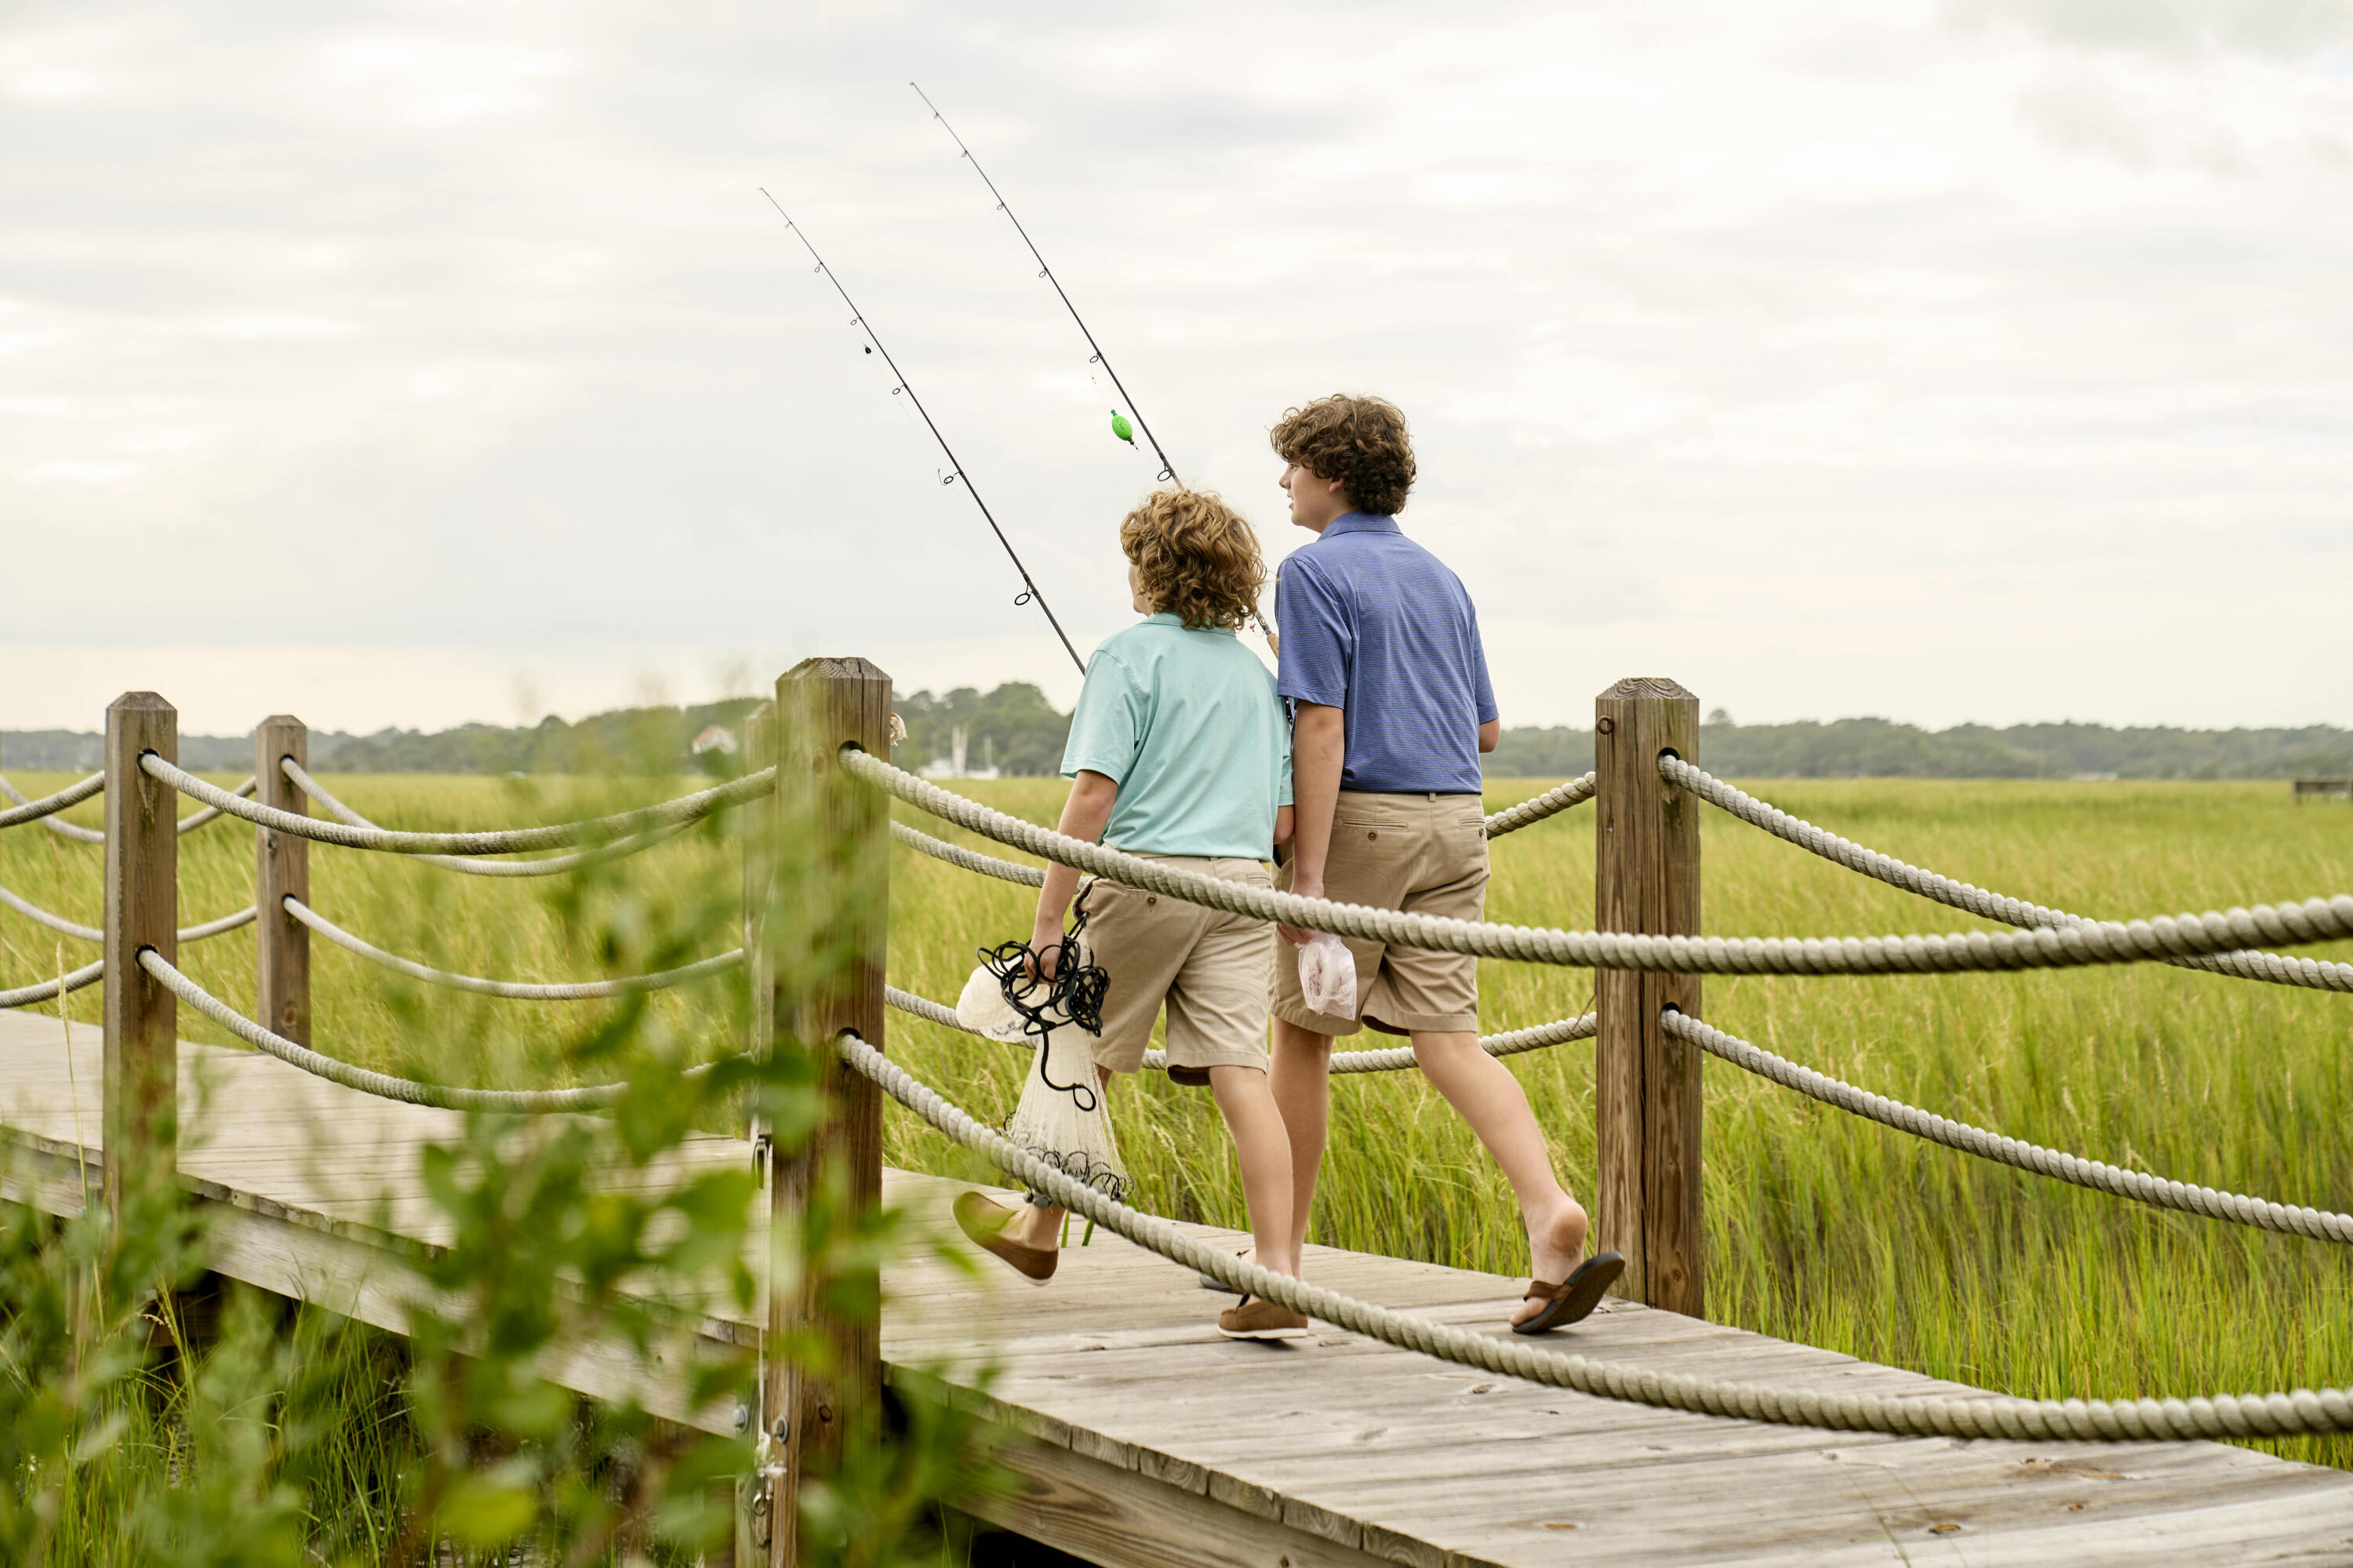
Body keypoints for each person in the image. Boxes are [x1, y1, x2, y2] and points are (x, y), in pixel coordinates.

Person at [1260, 393, 1622, 1333]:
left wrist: (1306, 873)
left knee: (1302, 1033)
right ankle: (1548, 1212)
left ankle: (1280, 1269)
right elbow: (1486, 728)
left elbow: (1325, 725)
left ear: (1332, 476)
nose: (1284, 484)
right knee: (1449, 1039)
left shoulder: (1309, 575)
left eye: (1293, 467)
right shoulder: (1444, 578)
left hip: (1363, 827)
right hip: (1460, 821)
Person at [954, 487, 1312, 1340]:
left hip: (1144, 877)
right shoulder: (1259, 677)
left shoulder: (1124, 657)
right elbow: (1282, 823)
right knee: (1240, 1071)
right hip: (1240, 888)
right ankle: (1280, 1271)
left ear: (1149, 568)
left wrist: (1048, 920)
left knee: (1082, 1051)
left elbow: (1092, 796)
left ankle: (1039, 1227)